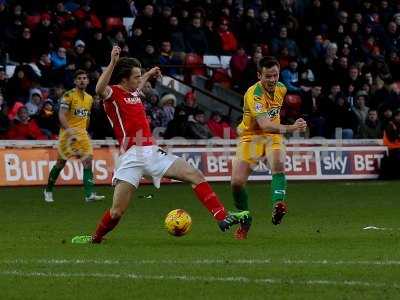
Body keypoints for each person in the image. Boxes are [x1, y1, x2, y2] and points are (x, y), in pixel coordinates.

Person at [71, 46, 249, 244]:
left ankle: (221, 216)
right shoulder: (113, 95)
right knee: (116, 212)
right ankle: (95, 238)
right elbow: (98, 89)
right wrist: (113, 62)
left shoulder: (134, 93)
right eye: (136, 77)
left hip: (151, 152)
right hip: (131, 156)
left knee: (194, 175)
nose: (140, 81)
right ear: (124, 78)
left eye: (140, 76)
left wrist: (148, 74)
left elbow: (138, 88)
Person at [230, 56, 307, 240]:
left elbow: (271, 124)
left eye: (275, 75)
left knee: (278, 163)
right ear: (259, 75)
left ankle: (278, 205)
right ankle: (245, 219)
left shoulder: (282, 88)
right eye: (268, 76)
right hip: (252, 138)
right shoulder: (253, 94)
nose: (272, 80)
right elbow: (264, 124)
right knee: (237, 183)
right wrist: (292, 127)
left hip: (273, 137)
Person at [43, 69, 105, 203]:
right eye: (79, 78)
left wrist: (85, 131)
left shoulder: (89, 98)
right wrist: (70, 131)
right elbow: (61, 115)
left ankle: (89, 194)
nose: (82, 80)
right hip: (67, 134)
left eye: (84, 78)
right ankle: (48, 189)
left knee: (88, 160)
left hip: (82, 134)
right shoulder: (68, 95)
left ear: (88, 81)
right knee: (60, 163)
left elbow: (86, 117)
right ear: (75, 81)